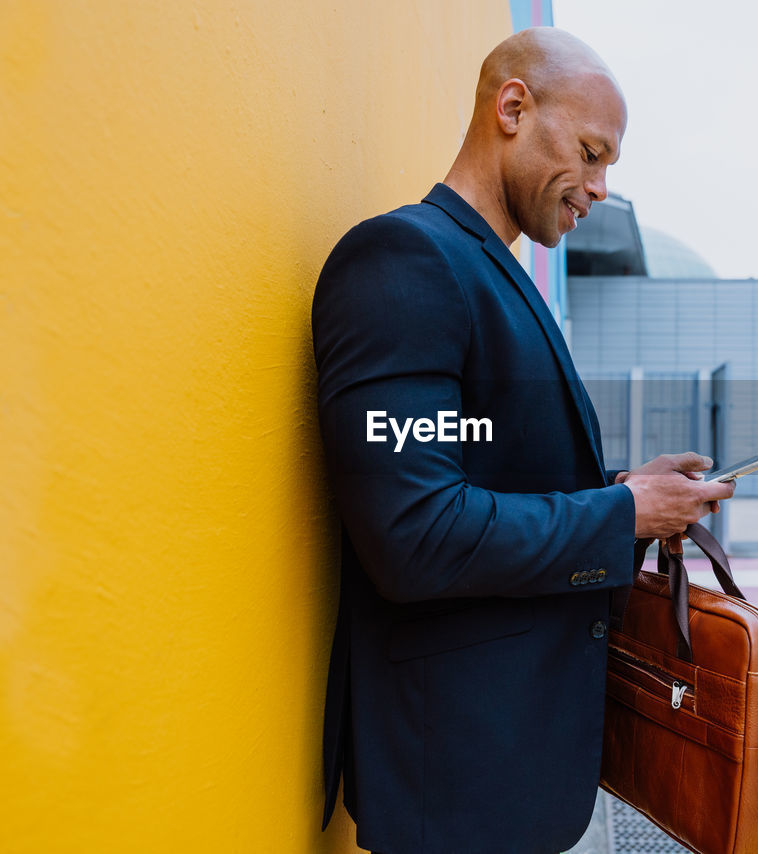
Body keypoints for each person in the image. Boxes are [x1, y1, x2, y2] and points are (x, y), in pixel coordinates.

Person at [312, 27, 734, 854]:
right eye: (590, 152)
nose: (601, 188)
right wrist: (623, 513)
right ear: (513, 107)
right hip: (456, 787)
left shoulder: (488, 272)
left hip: (504, 771)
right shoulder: (404, 263)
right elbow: (417, 533)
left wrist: (624, 486)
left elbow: (481, 463)